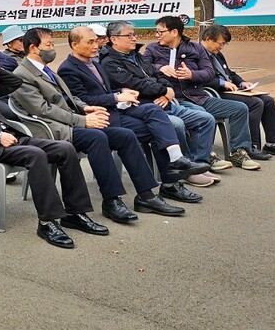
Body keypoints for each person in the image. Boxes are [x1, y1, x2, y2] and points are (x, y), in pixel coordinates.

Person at [12, 28, 183, 220]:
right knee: (97, 136)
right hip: (52, 130)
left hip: (69, 121)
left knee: (125, 136)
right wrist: (83, 120)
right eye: (49, 45)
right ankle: (111, 200)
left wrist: (86, 108)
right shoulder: (22, 74)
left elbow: (70, 97)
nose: (53, 49)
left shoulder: (44, 69)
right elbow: (43, 110)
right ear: (34, 48)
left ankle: (146, 195)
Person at [0, 46, 106, 249]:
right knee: (36, 155)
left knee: (64, 148)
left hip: (12, 137)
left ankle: (75, 213)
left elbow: (15, 81)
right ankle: (47, 222)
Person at [58, 25, 211, 201]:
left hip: (120, 110)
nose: (96, 45)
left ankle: (172, 177)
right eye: (90, 42)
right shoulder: (68, 68)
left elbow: (111, 87)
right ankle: (161, 187)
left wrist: (123, 91)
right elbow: (82, 100)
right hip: (102, 118)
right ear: (74, 44)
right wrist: (116, 97)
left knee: (158, 121)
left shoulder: (95, 63)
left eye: (96, 41)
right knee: (159, 128)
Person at [98, 20, 225, 186]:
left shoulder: (137, 55)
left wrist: (167, 91)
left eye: (134, 34)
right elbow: (136, 83)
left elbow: (159, 75)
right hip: (142, 107)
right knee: (176, 124)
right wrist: (164, 91)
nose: (134, 38)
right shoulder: (110, 62)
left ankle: (198, 163)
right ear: (114, 39)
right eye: (129, 35)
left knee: (205, 119)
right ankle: (183, 168)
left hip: (165, 102)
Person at [200, 23, 275, 156]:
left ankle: (272, 143)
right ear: (208, 39)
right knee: (255, 103)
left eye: (224, 44)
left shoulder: (217, 54)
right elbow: (200, 78)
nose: (221, 47)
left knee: (268, 101)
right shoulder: (197, 53)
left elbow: (230, 73)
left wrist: (242, 82)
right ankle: (252, 145)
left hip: (230, 90)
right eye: (220, 43)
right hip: (214, 93)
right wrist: (221, 83)